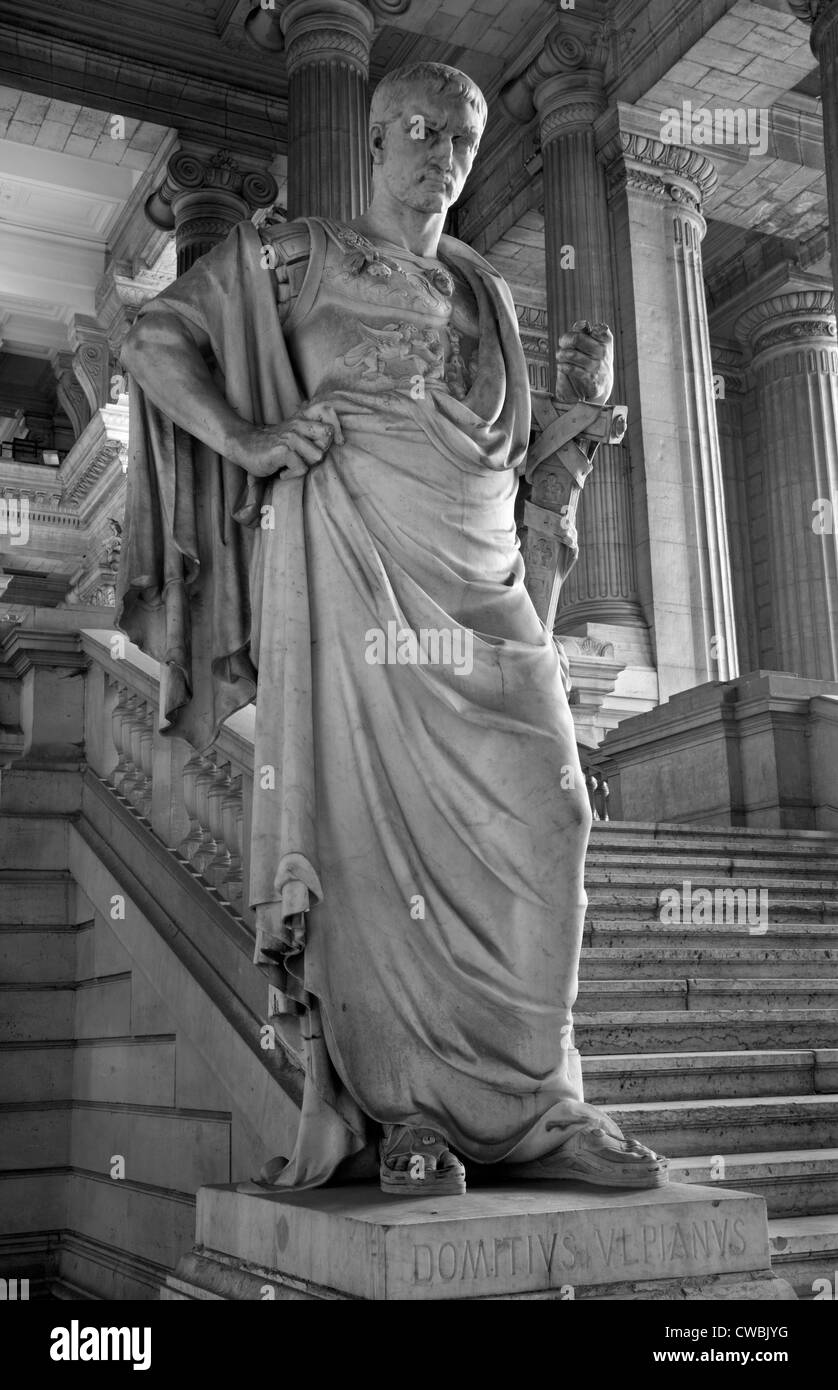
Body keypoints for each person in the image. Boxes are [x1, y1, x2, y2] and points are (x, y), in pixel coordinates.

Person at [118, 61, 667, 1197]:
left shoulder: (486, 295)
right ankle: (406, 1110)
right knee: (371, 850)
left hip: (479, 582)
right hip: (358, 575)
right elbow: (153, 341)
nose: (442, 152)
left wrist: (563, 441)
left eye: (461, 137)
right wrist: (249, 438)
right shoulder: (297, 254)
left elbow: (501, 473)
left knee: (554, 813)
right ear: (370, 141)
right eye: (419, 129)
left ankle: (539, 1105)